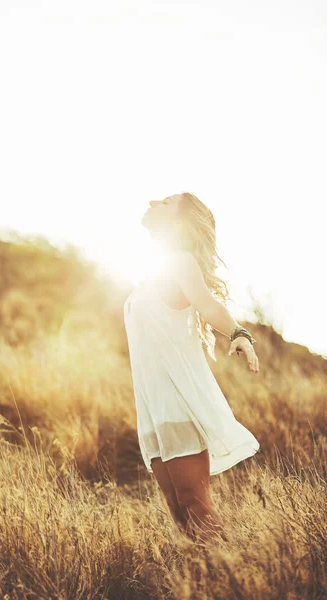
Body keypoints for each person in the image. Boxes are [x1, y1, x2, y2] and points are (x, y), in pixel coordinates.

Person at [123, 192, 260, 544]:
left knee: (194, 504)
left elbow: (208, 305)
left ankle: (237, 577)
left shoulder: (181, 262)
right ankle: (205, 581)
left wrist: (239, 333)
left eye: (166, 202)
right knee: (178, 512)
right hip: (152, 410)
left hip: (179, 402)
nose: (153, 201)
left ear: (180, 222)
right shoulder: (151, 270)